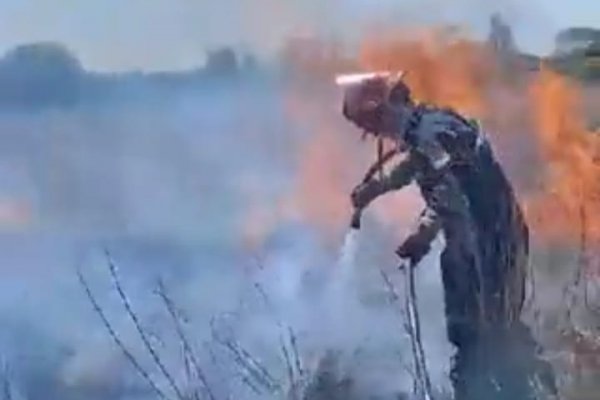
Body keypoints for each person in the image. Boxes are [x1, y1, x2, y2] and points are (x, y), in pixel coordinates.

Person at [339, 73, 557, 400]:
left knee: (491, 337)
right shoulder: (428, 131)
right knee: (472, 334)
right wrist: (385, 192)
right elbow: (432, 177)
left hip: (493, 243)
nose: (376, 132)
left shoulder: (435, 131)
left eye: (375, 121)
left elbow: (447, 185)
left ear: (392, 106)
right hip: (471, 244)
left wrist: (417, 228)